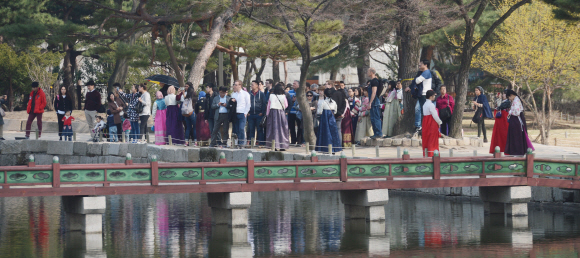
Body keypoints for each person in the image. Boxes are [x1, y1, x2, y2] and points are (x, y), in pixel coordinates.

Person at [405, 60, 432, 134]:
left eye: (421, 64)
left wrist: (414, 81)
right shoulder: (421, 73)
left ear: (425, 65)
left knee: (424, 111)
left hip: (425, 95)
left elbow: (417, 81)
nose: (419, 66)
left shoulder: (426, 72)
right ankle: (418, 126)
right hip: (421, 95)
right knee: (417, 109)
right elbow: (416, 81)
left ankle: (427, 127)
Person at [505, 90, 534, 156]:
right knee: (516, 135)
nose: (509, 99)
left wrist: (510, 113)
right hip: (516, 119)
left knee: (516, 135)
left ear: (511, 95)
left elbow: (517, 112)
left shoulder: (516, 101)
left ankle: (517, 151)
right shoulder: (516, 100)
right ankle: (516, 151)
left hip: (516, 120)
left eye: (509, 97)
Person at [316, 88, 342, 153]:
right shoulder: (334, 102)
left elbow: (319, 112)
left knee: (325, 134)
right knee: (334, 133)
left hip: (324, 119)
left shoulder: (323, 102)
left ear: (325, 95)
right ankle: (334, 149)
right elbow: (335, 112)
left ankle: (325, 149)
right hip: (332, 119)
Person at [266, 84, 290, 151]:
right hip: (281, 113)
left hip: (272, 113)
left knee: (273, 130)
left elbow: (268, 106)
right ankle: (283, 146)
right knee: (282, 129)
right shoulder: (283, 96)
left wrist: (267, 115)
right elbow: (286, 105)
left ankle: (274, 146)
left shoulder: (271, 96)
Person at [422, 90, 442, 157]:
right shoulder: (431, 105)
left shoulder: (424, 105)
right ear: (431, 96)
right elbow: (435, 115)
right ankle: (433, 154)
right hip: (431, 123)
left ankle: (427, 154)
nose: (434, 97)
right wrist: (439, 122)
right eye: (433, 96)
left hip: (425, 122)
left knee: (426, 138)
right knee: (432, 139)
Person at [248, 80, 267, 146]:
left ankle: (261, 143)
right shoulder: (249, 94)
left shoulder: (261, 94)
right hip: (251, 115)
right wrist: (247, 112)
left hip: (259, 114)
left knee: (260, 130)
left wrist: (262, 112)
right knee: (251, 130)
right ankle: (251, 143)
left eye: (253, 84)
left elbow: (264, 104)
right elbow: (246, 103)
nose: (251, 86)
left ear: (257, 85)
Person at [231, 80, 251, 146]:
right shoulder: (233, 94)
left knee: (241, 128)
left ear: (240, 85)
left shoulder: (245, 94)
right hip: (235, 113)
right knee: (236, 129)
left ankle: (242, 143)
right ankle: (238, 143)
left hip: (242, 113)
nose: (235, 86)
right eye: (234, 85)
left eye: (236, 85)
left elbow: (248, 104)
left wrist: (245, 113)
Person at [366, 68, 383, 139]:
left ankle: (379, 133)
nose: (367, 73)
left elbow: (374, 92)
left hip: (375, 102)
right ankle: (375, 133)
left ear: (371, 72)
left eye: (368, 71)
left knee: (376, 118)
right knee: (373, 118)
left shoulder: (374, 81)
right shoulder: (371, 81)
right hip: (373, 101)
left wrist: (370, 103)